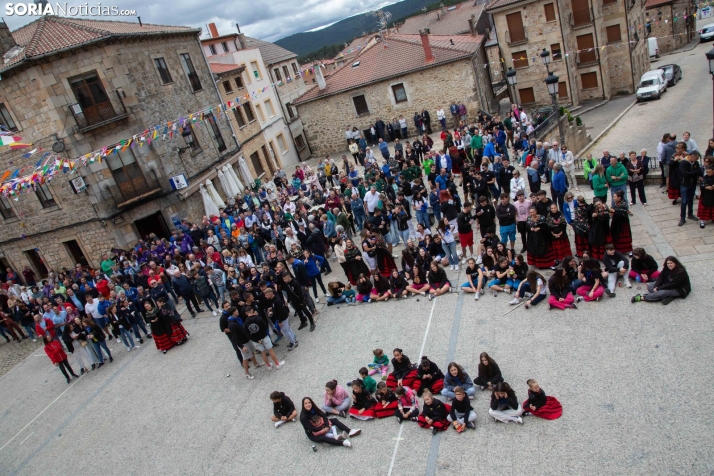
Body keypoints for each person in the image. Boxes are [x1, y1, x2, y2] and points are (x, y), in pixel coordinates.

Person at [244, 305, 284, 370]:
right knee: (270, 350)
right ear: (252, 310)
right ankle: (277, 364)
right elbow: (265, 325)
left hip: (256, 340)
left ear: (246, 313)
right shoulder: (258, 318)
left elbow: (247, 334)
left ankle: (268, 366)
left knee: (263, 352)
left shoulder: (246, 323)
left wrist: (256, 340)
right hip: (264, 336)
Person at [678, 150, 703, 226]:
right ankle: (682, 218)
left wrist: (693, 174)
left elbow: (699, 172)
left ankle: (690, 214)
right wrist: (694, 173)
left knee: (690, 200)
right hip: (684, 184)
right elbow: (685, 174)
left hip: (693, 184)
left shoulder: (696, 163)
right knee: (684, 201)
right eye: (696, 158)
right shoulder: (683, 163)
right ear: (692, 156)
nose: (697, 160)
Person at [610, 191, 633, 255]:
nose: (613, 198)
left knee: (623, 236)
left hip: (622, 224)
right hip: (616, 222)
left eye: (615, 197)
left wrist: (613, 211)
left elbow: (620, 213)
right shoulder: (616, 203)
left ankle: (629, 250)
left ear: (619, 198)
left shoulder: (623, 204)